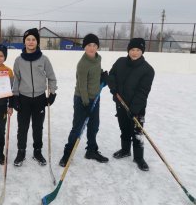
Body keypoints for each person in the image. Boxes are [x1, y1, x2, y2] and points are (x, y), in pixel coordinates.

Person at [59, 33, 109, 167]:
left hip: (95, 97)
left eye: (94, 45)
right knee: (77, 128)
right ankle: (67, 155)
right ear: (84, 47)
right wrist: (86, 103)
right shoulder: (83, 64)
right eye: (88, 45)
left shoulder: (98, 59)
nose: (92, 48)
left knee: (94, 126)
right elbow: (82, 86)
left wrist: (102, 76)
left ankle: (91, 151)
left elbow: (95, 74)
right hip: (82, 99)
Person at [107, 38, 155, 171]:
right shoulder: (120, 62)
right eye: (132, 49)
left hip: (137, 108)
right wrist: (114, 88)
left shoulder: (148, 70)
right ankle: (125, 150)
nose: (135, 53)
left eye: (138, 50)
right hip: (120, 103)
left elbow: (142, 92)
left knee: (137, 133)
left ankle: (139, 158)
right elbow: (112, 76)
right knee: (124, 128)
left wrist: (134, 109)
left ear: (142, 51)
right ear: (128, 50)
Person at [12, 28, 57, 167]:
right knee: (22, 127)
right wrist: (15, 96)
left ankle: (37, 151)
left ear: (37, 42)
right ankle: (21, 152)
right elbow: (16, 79)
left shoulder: (44, 59)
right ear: (24, 42)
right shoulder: (19, 60)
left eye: (33, 39)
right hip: (24, 98)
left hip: (39, 98)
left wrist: (52, 93)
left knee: (38, 127)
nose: (30, 42)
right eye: (28, 39)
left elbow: (51, 77)